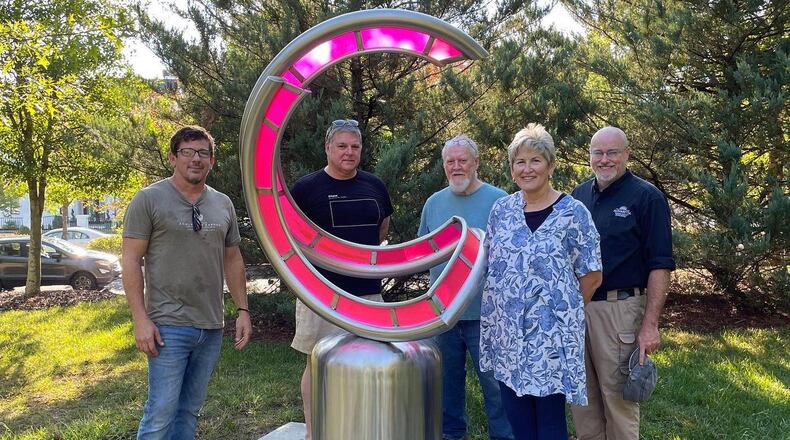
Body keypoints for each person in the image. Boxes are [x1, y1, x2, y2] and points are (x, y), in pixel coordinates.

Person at [122, 125, 252, 439]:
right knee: (161, 414)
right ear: (173, 157)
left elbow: (232, 258)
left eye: (202, 153)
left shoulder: (222, 204)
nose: (196, 159)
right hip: (167, 325)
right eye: (187, 152)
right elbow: (129, 260)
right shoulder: (149, 199)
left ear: (212, 160)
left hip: (210, 325)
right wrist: (140, 319)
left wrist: (242, 310)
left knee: (189, 412)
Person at [480, 123, 602, 440]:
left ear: (551, 165)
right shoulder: (501, 211)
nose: (527, 168)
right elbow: (491, 264)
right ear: (511, 169)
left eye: (535, 160)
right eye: (520, 162)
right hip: (507, 337)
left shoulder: (573, 213)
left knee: (549, 424)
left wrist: (560, 312)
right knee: (517, 419)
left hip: (551, 340)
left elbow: (591, 274)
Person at [289, 119, 393, 439]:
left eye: (355, 146)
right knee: (317, 364)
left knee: (369, 364)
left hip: (368, 294)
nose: (349, 152)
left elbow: (382, 229)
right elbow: (291, 238)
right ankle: (315, 430)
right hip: (319, 293)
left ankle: (360, 427)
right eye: (342, 146)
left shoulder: (375, 185)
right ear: (328, 148)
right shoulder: (305, 189)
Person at [570, 126, 675, 439]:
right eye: (597, 153)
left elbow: (660, 265)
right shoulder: (579, 197)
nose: (604, 159)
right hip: (578, 309)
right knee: (582, 400)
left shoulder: (646, 198)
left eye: (612, 152)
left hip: (619, 311)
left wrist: (650, 325)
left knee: (618, 401)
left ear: (627, 154)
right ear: (589, 156)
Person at [418, 134, 513, 440]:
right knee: (445, 387)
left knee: (496, 388)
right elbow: (422, 252)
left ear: (476, 163)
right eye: (450, 161)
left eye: (462, 161)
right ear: (444, 165)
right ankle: (451, 435)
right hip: (443, 313)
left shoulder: (500, 201)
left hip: (488, 315)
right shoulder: (433, 203)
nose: (456, 167)